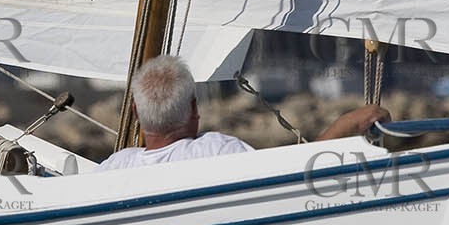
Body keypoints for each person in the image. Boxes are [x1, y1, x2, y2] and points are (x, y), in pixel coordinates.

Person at [96, 54, 390, 171]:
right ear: (194, 109)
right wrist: (344, 126)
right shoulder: (215, 152)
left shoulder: (112, 168)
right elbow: (293, 180)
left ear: (135, 112)